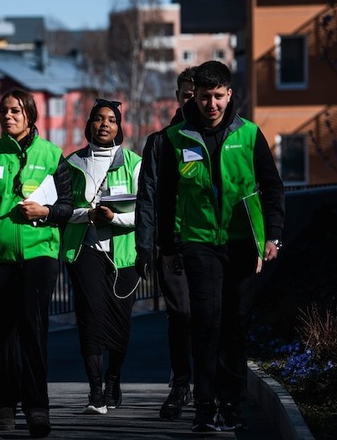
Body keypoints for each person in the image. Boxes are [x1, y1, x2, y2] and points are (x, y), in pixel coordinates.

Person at [155, 61, 285, 433]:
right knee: (206, 324)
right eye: (204, 97)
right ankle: (204, 408)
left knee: (235, 325)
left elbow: (272, 188)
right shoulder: (176, 138)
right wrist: (168, 246)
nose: (211, 104)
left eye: (217, 96)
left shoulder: (249, 134)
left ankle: (231, 405)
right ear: (192, 96)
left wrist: (272, 235)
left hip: (243, 242)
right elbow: (166, 196)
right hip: (199, 244)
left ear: (229, 94)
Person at [0, 88, 73, 438]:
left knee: (33, 332)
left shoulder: (52, 155)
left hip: (40, 256)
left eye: (16, 111)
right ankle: (5, 404)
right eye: (4, 111)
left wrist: (46, 211)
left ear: (30, 115)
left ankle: (38, 408)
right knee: (4, 333)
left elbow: (67, 207)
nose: (8, 116)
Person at [61, 99, 142, 415]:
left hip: (125, 255)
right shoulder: (70, 164)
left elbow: (147, 212)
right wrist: (88, 215)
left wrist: (115, 219)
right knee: (90, 318)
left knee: (120, 323)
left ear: (119, 126)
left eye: (111, 119)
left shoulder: (135, 163)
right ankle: (95, 393)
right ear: (89, 125)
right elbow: (62, 210)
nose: (104, 124)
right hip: (85, 253)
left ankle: (113, 378)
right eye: (98, 119)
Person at [135, 66, 196, 421]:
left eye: (198, 96)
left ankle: (210, 385)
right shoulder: (160, 142)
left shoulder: (222, 138)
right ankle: (180, 383)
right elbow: (147, 197)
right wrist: (146, 247)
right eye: (186, 95)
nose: (193, 102)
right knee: (179, 314)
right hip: (172, 246)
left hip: (212, 243)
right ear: (178, 97)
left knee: (210, 316)